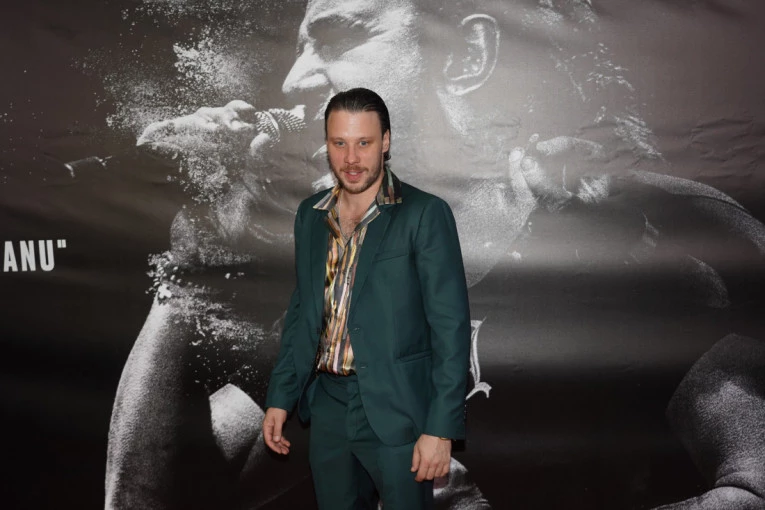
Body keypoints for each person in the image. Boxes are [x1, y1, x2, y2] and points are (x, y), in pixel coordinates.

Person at [105, 0, 765, 508]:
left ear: (467, 55)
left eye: (337, 37)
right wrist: (194, 264)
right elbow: (150, 500)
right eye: (300, 49)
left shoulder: (638, 236)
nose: (293, 78)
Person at [261, 87, 472, 509]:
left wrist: (440, 428)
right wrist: (281, 397)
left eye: (364, 143)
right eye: (339, 143)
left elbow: (450, 328)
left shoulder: (424, 213)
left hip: (399, 408)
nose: (351, 159)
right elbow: (302, 311)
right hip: (328, 406)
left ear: (386, 142)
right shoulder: (310, 215)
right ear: (326, 143)